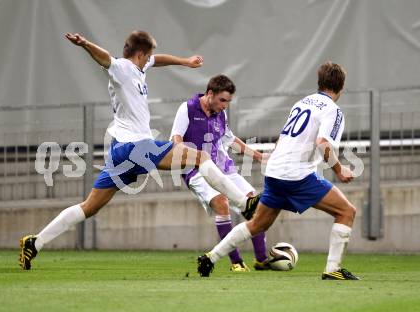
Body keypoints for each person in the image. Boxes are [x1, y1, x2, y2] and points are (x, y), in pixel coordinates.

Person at [19, 31, 260, 270]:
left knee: (89, 207)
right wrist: (84, 44)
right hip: (135, 146)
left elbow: (160, 60)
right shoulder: (122, 68)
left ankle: (35, 242)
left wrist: (185, 62)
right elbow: (105, 58)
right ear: (140, 54)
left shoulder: (140, 67)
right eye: (148, 56)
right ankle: (244, 202)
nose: (150, 60)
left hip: (120, 152)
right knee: (201, 157)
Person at [197, 62, 360, 280]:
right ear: (341, 86)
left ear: (319, 82)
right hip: (298, 176)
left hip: (275, 172)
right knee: (346, 212)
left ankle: (210, 258)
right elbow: (323, 143)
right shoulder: (333, 110)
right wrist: (339, 170)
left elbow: (282, 138)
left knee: (256, 224)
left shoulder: (302, 103)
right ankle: (332, 269)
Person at [170, 74, 271, 272]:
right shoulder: (188, 108)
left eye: (228, 101)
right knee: (221, 203)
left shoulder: (221, 115)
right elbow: (176, 139)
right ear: (210, 94)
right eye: (222, 100)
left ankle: (261, 260)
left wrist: (259, 156)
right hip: (196, 170)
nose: (225, 105)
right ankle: (236, 262)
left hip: (224, 168)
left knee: (255, 204)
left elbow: (231, 141)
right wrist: (190, 156)